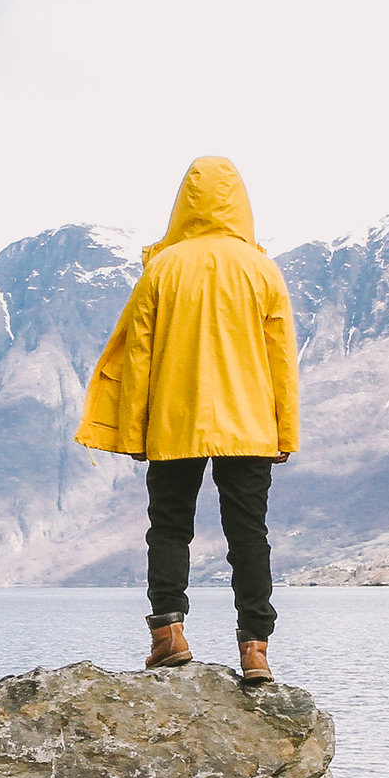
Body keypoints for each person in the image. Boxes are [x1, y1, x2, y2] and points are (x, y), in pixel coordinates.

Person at [75, 156, 300, 684]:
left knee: (170, 528)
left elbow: (138, 357)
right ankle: (255, 651)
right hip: (249, 427)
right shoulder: (262, 269)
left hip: (174, 423)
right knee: (249, 535)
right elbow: (280, 361)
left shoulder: (162, 268)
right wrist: (283, 430)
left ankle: (169, 637)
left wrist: (134, 431)